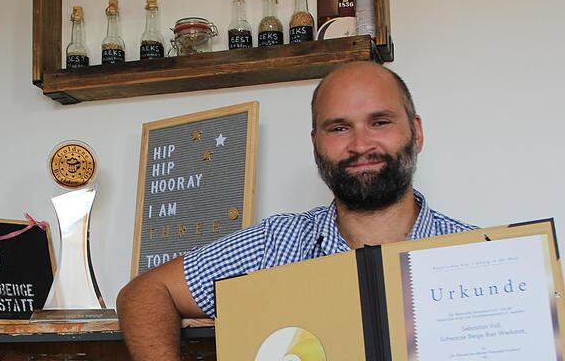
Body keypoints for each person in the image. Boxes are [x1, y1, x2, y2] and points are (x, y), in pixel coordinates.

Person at [116, 61, 477, 360]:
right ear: (315, 143)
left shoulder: (478, 256)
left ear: (415, 132)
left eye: (380, 122)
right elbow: (145, 293)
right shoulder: (273, 246)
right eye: (338, 128)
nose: (360, 144)